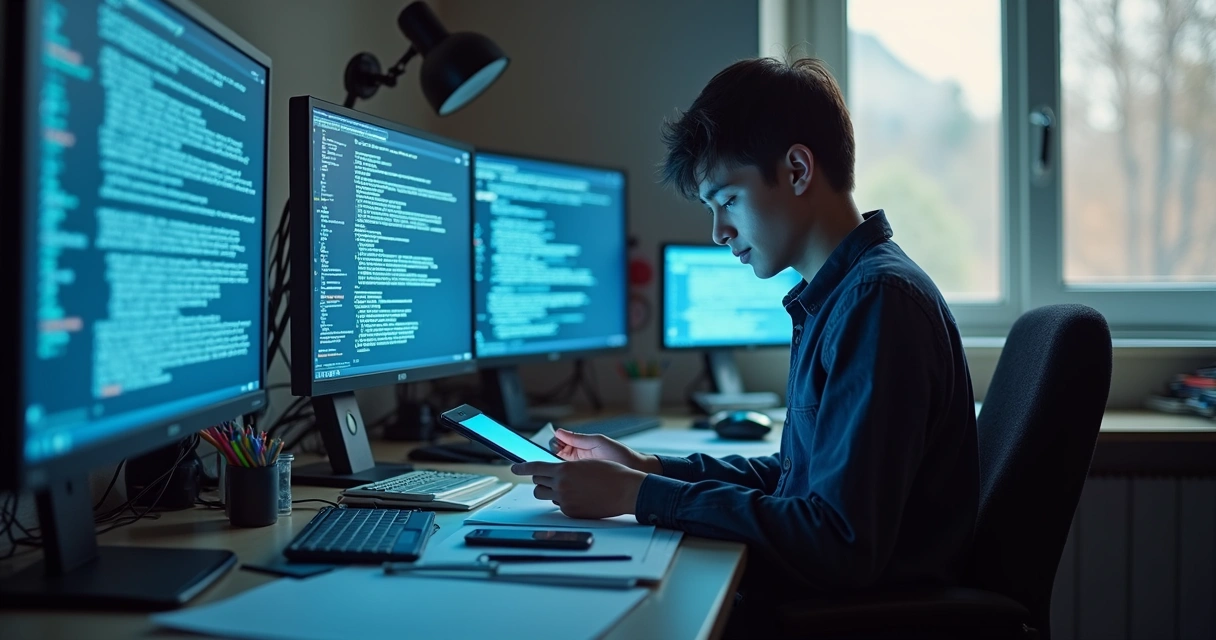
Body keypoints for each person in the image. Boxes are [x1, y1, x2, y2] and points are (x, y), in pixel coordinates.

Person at [511, 57, 979, 623]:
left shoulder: (876, 303)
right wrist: (647, 469)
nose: (718, 232)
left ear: (799, 170)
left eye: (727, 200)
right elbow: (793, 482)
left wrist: (634, 497)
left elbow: (838, 542)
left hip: (850, 618)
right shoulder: (838, 297)